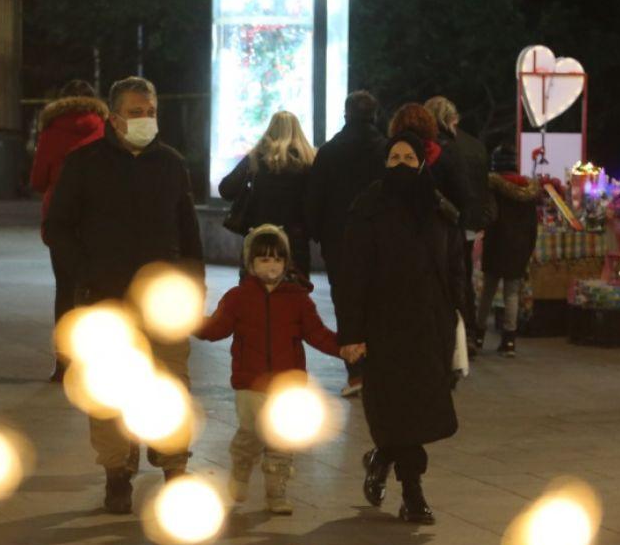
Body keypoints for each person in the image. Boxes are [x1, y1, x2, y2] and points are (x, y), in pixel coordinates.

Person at [45, 76, 204, 515]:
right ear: (114, 118)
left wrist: (193, 282)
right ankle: (117, 473)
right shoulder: (84, 164)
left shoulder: (171, 164)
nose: (145, 120)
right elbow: (58, 227)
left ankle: (174, 465)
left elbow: (188, 231)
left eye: (151, 112)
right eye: (136, 113)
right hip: (107, 301)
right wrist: (85, 275)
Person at [337, 132, 463, 525]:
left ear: (423, 163)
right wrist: (351, 334)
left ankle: (382, 458)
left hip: (429, 325)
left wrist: (460, 319)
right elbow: (351, 276)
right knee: (395, 408)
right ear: (384, 163)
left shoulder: (438, 209)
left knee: (420, 410)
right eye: (394, 158)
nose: (402, 164)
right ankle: (413, 493)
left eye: (410, 157)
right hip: (383, 327)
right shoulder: (367, 209)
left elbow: (455, 268)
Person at [195, 224, 340, 514]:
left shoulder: (298, 299)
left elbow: (317, 334)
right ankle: (241, 465)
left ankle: (276, 493)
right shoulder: (238, 298)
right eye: (263, 259)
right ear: (250, 263)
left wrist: (344, 349)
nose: (271, 265)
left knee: (281, 441)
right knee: (251, 435)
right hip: (251, 384)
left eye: (276, 259)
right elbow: (217, 328)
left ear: (286, 263)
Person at [306, 90, 385, 397]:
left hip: (339, 242)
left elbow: (315, 198)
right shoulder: (386, 150)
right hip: (380, 240)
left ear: (345, 115)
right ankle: (379, 367)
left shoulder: (329, 152)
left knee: (347, 304)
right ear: (375, 115)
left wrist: (316, 232)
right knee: (378, 303)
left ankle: (356, 372)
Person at [29, 79, 108, 382]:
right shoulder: (104, 128)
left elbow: (37, 179)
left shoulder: (51, 131)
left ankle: (63, 364)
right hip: (97, 219)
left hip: (61, 220)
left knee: (65, 290)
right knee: (98, 288)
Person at [426, 96, 490, 356]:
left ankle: (444, 335)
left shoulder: (429, 147)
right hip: (464, 223)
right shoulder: (473, 146)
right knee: (461, 279)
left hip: (436, 224)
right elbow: (476, 188)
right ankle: (469, 334)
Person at [218, 110, 314, 277]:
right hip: (295, 241)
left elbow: (226, 189)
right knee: (294, 294)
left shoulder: (256, 158)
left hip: (258, 239)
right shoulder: (309, 161)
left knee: (254, 294)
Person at [476, 146, 539, 357]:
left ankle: (477, 336)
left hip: (496, 244)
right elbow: (533, 226)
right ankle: (509, 341)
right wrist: (529, 248)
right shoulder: (529, 191)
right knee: (512, 294)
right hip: (518, 247)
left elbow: (487, 215)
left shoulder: (492, 187)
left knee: (487, 292)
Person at [388, 103, 470, 220]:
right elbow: (461, 198)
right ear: (429, 126)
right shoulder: (444, 157)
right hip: (437, 229)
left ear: (396, 127)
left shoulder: (391, 158)